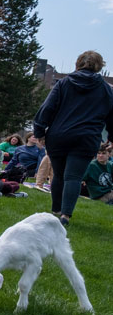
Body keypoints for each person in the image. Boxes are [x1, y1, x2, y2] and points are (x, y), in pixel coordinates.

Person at [34, 50, 113, 225]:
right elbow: (111, 116)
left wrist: (39, 131)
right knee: (74, 177)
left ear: (77, 64)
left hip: (59, 135)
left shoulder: (63, 84)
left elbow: (47, 108)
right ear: (100, 66)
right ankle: (66, 215)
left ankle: (56, 210)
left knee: (59, 174)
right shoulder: (106, 89)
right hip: (86, 138)